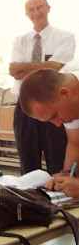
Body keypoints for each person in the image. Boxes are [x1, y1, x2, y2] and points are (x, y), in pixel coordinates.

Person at [9, 0, 75, 175]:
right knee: (27, 160)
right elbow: (13, 70)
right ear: (26, 14)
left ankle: (59, 188)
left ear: (48, 8)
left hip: (54, 104)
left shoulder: (65, 37)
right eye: (31, 9)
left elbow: (58, 68)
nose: (36, 12)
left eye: (39, 7)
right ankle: (30, 192)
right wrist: (47, 67)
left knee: (57, 157)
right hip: (25, 106)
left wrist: (24, 68)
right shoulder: (20, 40)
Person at [20, 62, 79, 198]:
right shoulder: (71, 92)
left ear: (65, 93)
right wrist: (66, 176)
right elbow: (75, 143)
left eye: (54, 115)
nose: (57, 124)